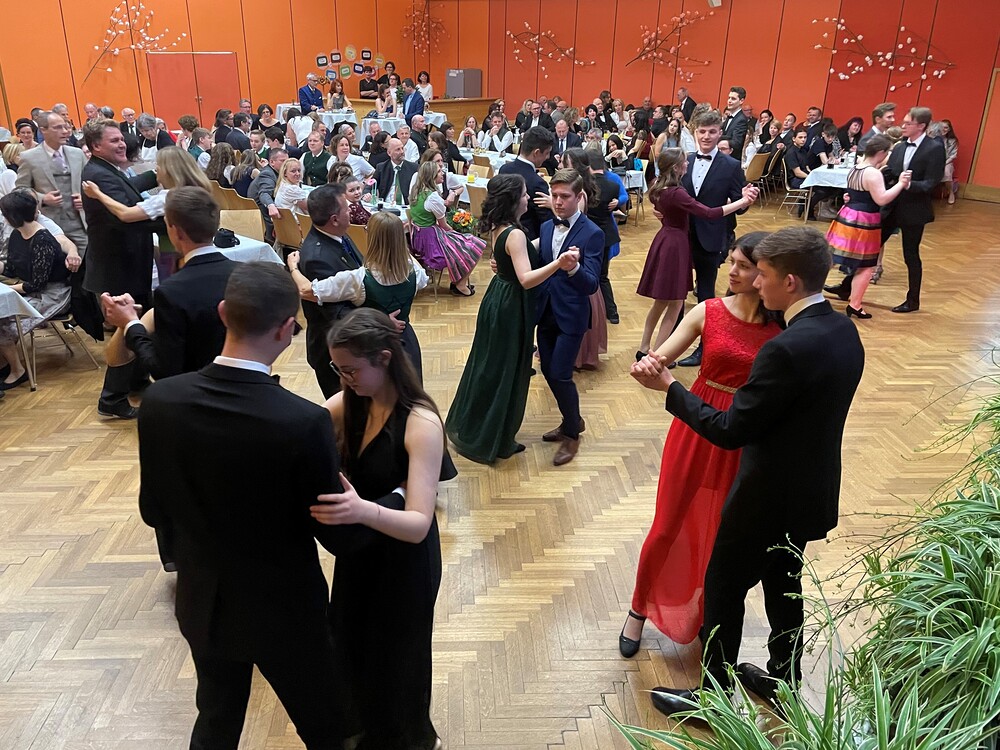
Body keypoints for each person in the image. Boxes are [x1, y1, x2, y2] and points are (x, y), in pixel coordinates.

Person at [137, 261, 406, 749]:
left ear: (224, 313)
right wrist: (397, 497)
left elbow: (153, 512)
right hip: (286, 614)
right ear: (286, 330)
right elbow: (340, 536)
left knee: (215, 720)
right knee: (328, 728)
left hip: (203, 603)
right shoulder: (301, 422)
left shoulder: (161, 401)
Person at [635, 226, 864, 719]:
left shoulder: (784, 349)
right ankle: (784, 680)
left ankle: (713, 700)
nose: (756, 283)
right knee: (784, 587)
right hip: (811, 491)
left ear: (790, 282)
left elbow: (730, 429)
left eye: (763, 275)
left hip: (764, 498)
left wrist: (671, 388)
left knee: (723, 587)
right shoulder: (843, 330)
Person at [622, 232, 781, 656]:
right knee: (667, 525)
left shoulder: (781, 328)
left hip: (743, 434)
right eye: (731, 261)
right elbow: (661, 357)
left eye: (744, 266)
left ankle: (705, 612)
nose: (732, 271)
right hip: (696, 426)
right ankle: (638, 609)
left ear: (765, 274)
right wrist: (649, 365)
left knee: (721, 531)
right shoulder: (707, 311)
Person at [312, 308, 453, 750]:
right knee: (351, 645)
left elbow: (417, 524)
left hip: (405, 563)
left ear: (385, 358)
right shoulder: (346, 403)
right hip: (362, 553)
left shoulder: (421, 423)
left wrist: (361, 510)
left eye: (351, 369)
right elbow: (303, 430)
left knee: (398, 663)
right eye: (338, 368)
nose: (344, 378)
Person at [446, 174, 579, 463]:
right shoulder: (515, 234)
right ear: (513, 200)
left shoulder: (501, 227)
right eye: (524, 194)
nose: (528, 198)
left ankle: (483, 428)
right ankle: (492, 436)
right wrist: (559, 263)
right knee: (505, 369)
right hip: (511, 305)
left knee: (490, 364)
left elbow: (519, 252)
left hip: (498, 298)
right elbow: (526, 279)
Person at [637, 148, 758, 360]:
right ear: (676, 167)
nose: (688, 164)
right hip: (675, 245)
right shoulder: (676, 192)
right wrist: (743, 201)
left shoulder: (658, 187)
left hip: (664, 239)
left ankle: (644, 347)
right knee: (676, 304)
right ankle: (657, 355)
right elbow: (708, 213)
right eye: (684, 162)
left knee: (660, 302)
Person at [80, 119, 162, 419]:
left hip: (127, 262)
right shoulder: (98, 174)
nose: (122, 143)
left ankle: (137, 380)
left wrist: (157, 175)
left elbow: (128, 189)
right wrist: (170, 221)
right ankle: (112, 398)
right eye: (114, 140)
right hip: (118, 266)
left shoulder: (106, 170)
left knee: (138, 321)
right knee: (127, 328)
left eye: (121, 139)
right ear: (96, 146)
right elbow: (126, 213)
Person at [289, 211, 426, 377]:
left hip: (373, 349)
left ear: (372, 238)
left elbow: (305, 290)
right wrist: (399, 246)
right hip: (406, 344)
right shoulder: (415, 273)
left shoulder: (357, 279)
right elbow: (422, 276)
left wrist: (293, 267)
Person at [534, 169, 603, 466]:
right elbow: (539, 266)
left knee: (561, 374)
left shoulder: (592, 233)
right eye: (554, 196)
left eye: (564, 196)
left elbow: (592, 283)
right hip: (545, 312)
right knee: (548, 371)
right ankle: (571, 420)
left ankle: (572, 432)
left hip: (572, 315)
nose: (558, 202)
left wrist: (572, 268)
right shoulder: (547, 226)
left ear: (579, 197)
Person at [677, 110, 748, 368]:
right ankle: (672, 344)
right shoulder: (685, 159)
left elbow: (740, 206)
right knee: (677, 293)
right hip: (681, 235)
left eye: (712, 132)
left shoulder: (731, 166)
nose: (706, 136)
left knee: (706, 294)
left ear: (719, 134)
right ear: (695, 133)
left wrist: (746, 199)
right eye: (702, 131)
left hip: (711, 236)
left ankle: (704, 348)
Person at [824, 135, 912, 319]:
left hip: (847, 215)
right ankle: (855, 305)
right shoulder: (873, 173)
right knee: (866, 265)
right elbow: (882, 199)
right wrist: (901, 184)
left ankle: (813, 295)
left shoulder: (855, 167)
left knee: (832, 257)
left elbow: (851, 194)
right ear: (881, 153)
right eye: (887, 152)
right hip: (864, 220)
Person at [297, 183, 366, 397]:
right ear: (334, 219)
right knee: (347, 410)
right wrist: (378, 319)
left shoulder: (337, 234)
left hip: (353, 342)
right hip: (336, 351)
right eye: (346, 207)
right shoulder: (317, 258)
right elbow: (338, 313)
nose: (351, 209)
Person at [0, 189, 73, 390]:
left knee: (3, 323)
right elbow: (13, 268)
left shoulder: (42, 240)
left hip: (53, 295)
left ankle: (17, 371)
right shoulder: (18, 234)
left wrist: (9, 289)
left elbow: (37, 284)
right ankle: (6, 364)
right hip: (32, 290)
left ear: (13, 217)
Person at [880, 107, 945, 313]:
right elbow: (892, 173)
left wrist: (909, 185)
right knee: (871, 247)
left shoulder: (934, 148)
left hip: (914, 209)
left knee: (911, 255)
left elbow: (931, 183)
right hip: (892, 206)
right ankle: (847, 287)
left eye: (908, 123)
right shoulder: (900, 146)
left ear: (921, 126)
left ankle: (913, 300)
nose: (903, 125)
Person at [15, 111, 88, 261]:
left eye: (65, 127)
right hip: (49, 224)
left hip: (80, 223)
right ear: (43, 130)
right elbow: (20, 191)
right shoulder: (29, 157)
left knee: (87, 263)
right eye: (58, 127)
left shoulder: (77, 154)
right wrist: (42, 198)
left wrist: (85, 197)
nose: (64, 131)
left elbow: (91, 181)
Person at [408, 161, 485, 296]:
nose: (442, 173)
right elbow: (444, 225)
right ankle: (460, 283)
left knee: (466, 242)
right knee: (475, 244)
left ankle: (458, 281)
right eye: (439, 171)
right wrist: (458, 234)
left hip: (419, 238)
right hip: (431, 242)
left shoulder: (415, 192)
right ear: (432, 176)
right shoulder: (432, 198)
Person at [498, 126, 555, 241]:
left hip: (503, 234)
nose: (548, 157)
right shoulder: (538, 183)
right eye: (547, 153)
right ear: (536, 152)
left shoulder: (504, 169)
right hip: (528, 239)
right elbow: (547, 223)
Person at [248, 147, 287, 241]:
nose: (286, 164)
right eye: (283, 161)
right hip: (266, 219)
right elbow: (264, 193)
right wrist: (270, 205)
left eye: (287, 161)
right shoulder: (268, 174)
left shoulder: (274, 172)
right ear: (272, 162)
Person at [373, 138, 418, 204]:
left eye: (402, 148)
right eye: (398, 149)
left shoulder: (414, 168)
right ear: (389, 153)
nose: (402, 152)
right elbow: (371, 184)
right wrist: (367, 194)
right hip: (386, 205)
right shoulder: (381, 168)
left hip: (406, 205)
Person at [721, 87, 750, 158]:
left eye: (733, 99)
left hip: (731, 158)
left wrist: (718, 137)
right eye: (729, 98)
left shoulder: (741, 119)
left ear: (741, 101)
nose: (729, 101)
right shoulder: (730, 116)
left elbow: (737, 143)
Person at [940, 119, 959, 204]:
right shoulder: (933, 138)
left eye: (946, 127)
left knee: (946, 172)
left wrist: (944, 163)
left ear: (949, 129)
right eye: (941, 127)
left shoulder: (952, 140)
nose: (943, 129)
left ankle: (951, 192)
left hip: (947, 162)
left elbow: (953, 155)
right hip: (934, 161)